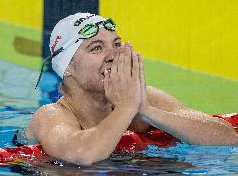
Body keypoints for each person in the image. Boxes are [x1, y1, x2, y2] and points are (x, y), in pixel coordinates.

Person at [19, 13, 238, 165]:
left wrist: (146, 111)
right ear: (67, 68)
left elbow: (227, 138)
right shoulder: (51, 115)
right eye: (96, 48)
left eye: (116, 44)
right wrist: (126, 109)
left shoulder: (145, 97)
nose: (113, 55)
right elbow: (82, 155)